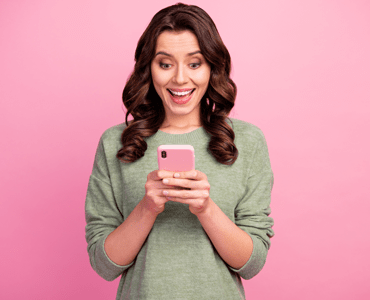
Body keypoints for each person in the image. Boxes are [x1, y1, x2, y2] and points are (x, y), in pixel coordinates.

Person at [83, 3, 274, 299]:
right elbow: (104, 265)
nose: (180, 79)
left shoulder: (247, 141)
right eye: (165, 63)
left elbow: (251, 263)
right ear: (149, 68)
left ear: (212, 67)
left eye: (195, 63)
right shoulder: (115, 143)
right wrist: (147, 207)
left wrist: (206, 209)